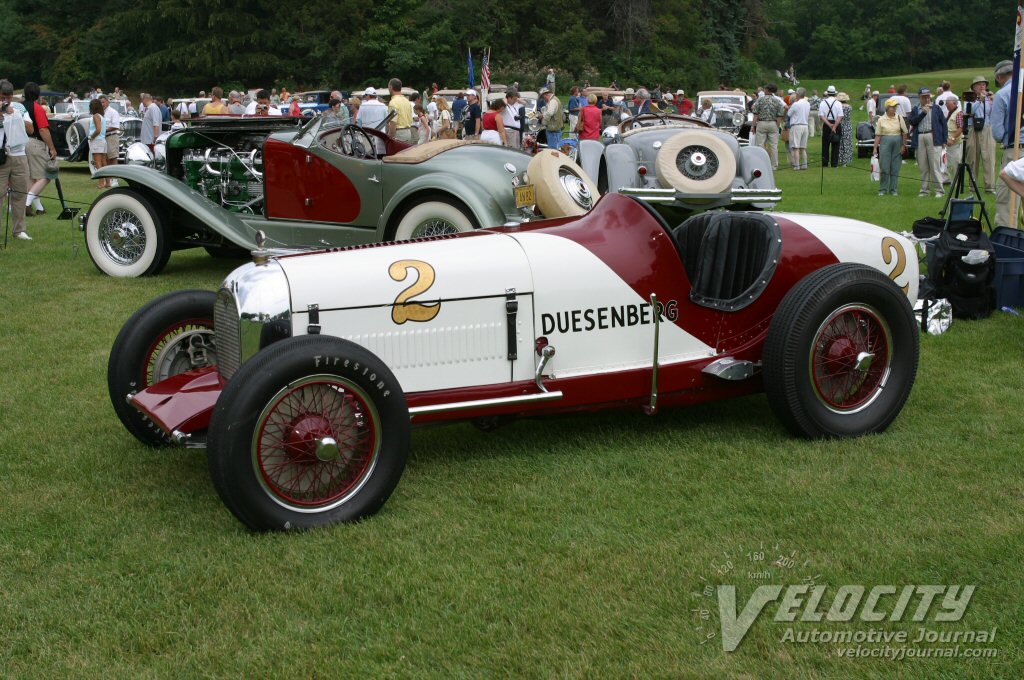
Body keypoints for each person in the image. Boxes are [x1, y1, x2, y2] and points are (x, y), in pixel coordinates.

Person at [0, 80, 33, 240]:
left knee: (20, 192)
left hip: (19, 155)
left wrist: (17, 115)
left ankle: (19, 230)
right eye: (2, 97)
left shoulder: (20, 108)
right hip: (1, 157)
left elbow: (30, 129)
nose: (5, 101)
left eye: (8, 98)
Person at [22, 82, 59, 216]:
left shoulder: (20, 107)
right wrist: (52, 148)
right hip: (35, 143)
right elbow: (43, 130)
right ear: (38, 95)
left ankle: (39, 208)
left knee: (32, 178)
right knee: (47, 175)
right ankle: (26, 203)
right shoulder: (37, 108)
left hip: (21, 144)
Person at [991, 59, 1017, 227]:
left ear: (1000, 77)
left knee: (1007, 202)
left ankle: (1008, 245)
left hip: (1014, 151)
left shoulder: (1002, 94)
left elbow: (998, 133)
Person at [907, 88, 947, 197]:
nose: (927, 99)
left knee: (935, 166)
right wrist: (923, 113)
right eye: (924, 97)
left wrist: (944, 139)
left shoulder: (936, 108)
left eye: (928, 97)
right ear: (920, 98)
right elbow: (912, 121)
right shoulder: (916, 109)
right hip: (920, 136)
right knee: (923, 166)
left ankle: (939, 190)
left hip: (933, 136)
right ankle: (925, 190)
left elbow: (944, 124)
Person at [873, 97, 909, 196]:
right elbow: (878, 134)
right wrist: (875, 147)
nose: (894, 108)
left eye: (895, 106)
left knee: (895, 167)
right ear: (887, 108)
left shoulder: (899, 117)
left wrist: (903, 145)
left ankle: (893, 190)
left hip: (897, 142)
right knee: (884, 166)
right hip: (885, 142)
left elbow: (905, 132)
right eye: (892, 107)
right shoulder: (881, 119)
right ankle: (883, 189)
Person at [966, 75, 996, 193]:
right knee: (973, 158)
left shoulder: (990, 98)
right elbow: (968, 112)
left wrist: (994, 100)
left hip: (987, 128)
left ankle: (990, 187)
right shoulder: (969, 97)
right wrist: (979, 101)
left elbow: (994, 114)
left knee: (989, 158)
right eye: (979, 84)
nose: (982, 86)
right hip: (973, 128)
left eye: (984, 84)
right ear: (974, 87)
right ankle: (973, 186)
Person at [752, 82, 785, 169]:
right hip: (773, 123)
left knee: (760, 145)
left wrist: (753, 126)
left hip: (762, 123)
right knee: (774, 146)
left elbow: (755, 115)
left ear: (767, 90)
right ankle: (774, 165)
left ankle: (762, 164)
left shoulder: (760, 100)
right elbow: (780, 115)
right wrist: (777, 126)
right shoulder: (777, 101)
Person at [355, 87, 388, 154]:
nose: (365, 98)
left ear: (368, 95)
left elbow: (359, 122)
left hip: (366, 136)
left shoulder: (363, 106)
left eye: (365, 96)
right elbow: (386, 121)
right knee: (381, 155)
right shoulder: (383, 106)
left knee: (368, 155)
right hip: (380, 135)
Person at [819, 85, 843, 168]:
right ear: (834, 93)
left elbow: (822, 116)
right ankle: (834, 163)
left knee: (825, 144)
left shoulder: (823, 102)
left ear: (828, 93)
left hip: (826, 124)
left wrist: (829, 125)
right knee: (836, 144)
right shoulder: (838, 103)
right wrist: (834, 126)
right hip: (836, 123)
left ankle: (825, 163)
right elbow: (840, 116)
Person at [944, 94, 965, 184]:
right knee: (946, 162)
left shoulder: (958, 113)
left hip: (955, 143)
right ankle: (947, 180)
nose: (947, 106)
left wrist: (952, 138)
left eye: (948, 105)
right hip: (948, 142)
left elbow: (961, 128)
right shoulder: (951, 112)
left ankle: (957, 182)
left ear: (955, 103)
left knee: (956, 163)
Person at [100, 95, 121, 184]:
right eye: (100, 102)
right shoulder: (100, 113)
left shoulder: (113, 112)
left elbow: (115, 126)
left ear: (108, 102)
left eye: (103, 102)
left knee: (113, 158)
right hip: (102, 138)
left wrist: (102, 130)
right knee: (105, 159)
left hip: (111, 137)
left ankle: (115, 179)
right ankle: (108, 179)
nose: (102, 104)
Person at [87, 98, 108, 188]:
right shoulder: (102, 116)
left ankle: (101, 183)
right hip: (103, 140)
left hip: (97, 141)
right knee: (104, 162)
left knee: (98, 163)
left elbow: (98, 130)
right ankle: (108, 182)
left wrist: (91, 136)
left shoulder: (95, 116)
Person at [787, 88, 809, 170]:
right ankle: (805, 164)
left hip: (796, 125)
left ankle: (797, 165)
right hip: (805, 125)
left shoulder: (796, 104)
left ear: (798, 95)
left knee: (796, 147)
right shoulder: (807, 103)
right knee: (803, 147)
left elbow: (789, 114)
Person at [837, 92, 854, 166]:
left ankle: (839, 159)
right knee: (847, 143)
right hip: (848, 125)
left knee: (840, 143)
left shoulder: (838, 107)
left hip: (840, 124)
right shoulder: (849, 107)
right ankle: (846, 161)